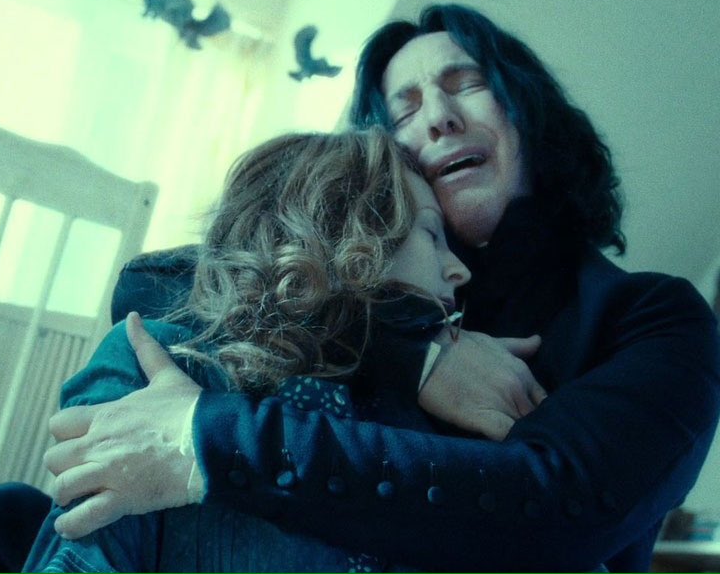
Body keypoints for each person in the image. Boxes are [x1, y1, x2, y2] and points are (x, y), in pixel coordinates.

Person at [39, 3, 720, 572]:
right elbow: (151, 284)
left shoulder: (656, 316)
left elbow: (559, 511)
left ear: (529, 111)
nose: (439, 116)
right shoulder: (390, 282)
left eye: (468, 82)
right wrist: (409, 350)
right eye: (405, 108)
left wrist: (209, 440)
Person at [27, 128, 502, 572]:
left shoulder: (420, 415)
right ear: (347, 228)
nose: (459, 270)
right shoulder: (165, 357)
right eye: (431, 234)